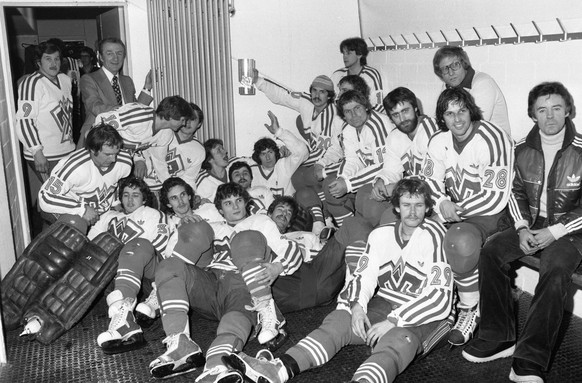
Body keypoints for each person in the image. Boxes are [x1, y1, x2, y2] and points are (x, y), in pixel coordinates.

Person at [223, 178, 453, 383]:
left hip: (427, 316)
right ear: (396, 207)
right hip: (386, 303)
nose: (412, 212)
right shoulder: (381, 235)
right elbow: (364, 276)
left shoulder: (434, 234)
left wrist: (395, 320)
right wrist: (357, 307)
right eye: (406, 205)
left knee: (397, 341)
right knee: (339, 320)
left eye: (419, 205)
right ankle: (278, 370)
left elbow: (439, 300)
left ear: (428, 208)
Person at [462, 82, 582, 383]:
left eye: (556, 108)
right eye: (542, 110)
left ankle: (530, 358)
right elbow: (514, 193)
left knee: (554, 269)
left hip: (571, 230)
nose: (550, 116)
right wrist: (522, 227)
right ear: (533, 115)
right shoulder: (520, 148)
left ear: (568, 110)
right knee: (490, 251)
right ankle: (499, 336)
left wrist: (555, 231)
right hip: (532, 223)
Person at [149, 183, 303, 381]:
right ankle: (180, 344)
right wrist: (184, 227)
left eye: (239, 200)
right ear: (220, 210)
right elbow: (174, 256)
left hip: (243, 285)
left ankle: (216, 366)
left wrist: (278, 267)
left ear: (246, 203)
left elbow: (293, 251)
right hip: (211, 282)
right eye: (228, 203)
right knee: (169, 265)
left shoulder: (261, 221)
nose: (235, 206)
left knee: (246, 239)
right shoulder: (214, 227)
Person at [422, 87, 514, 346]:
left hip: (492, 213)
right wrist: (441, 202)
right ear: (442, 117)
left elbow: (496, 197)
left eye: (461, 110)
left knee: (460, 240)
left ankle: (470, 307)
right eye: (449, 113)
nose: (457, 119)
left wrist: (454, 211)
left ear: (471, 109)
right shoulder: (438, 141)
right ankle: (440, 301)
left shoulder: (493, 138)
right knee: (422, 232)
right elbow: (428, 178)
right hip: (455, 208)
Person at [96, 176, 171, 354]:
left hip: (150, 272)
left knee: (138, 244)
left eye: (135, 195)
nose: (130, 200)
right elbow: (92, 243)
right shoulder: (109, 217)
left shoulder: (154, 214)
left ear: (144, 198)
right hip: (119, 275)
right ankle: (124, 321)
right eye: (126, 195)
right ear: (120, 198)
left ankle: (124, 316)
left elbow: (162, 242)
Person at [359, 87, 440, 227]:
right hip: (412, 190)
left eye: (405, 111)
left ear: (415, 108)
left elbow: (433, 179)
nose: (402, 119)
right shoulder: (395, 136)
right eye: (395, 115)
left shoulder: (433, 130)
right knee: (366, 196)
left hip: (435, 195)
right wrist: (381, 180)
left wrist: (397, 187)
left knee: (389, 217)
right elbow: (390, 169)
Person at [38, 122, 131, 234]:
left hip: (99, 212)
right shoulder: (74, 166)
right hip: (73, 211)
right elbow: (45, 197)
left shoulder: (125, 163)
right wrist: (82, 209)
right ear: (93, 150)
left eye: (116, 153)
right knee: (75, 223)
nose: (113, 159)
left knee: (129, 224)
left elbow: (113, 182)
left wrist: (116, 204)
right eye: (108, 154)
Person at [322, 90, 393, 227]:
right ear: (343, 115)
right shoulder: (349, 129)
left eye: (357, 108)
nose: (354, 115)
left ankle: (362, 234)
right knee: (331, 184)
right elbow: (352, 159)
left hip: (390, 176)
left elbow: (383, 166)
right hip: (370, 174)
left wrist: (349, 184)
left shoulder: (378, 124)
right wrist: (342, 178)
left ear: (366, 106)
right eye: (348, 112)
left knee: (366, 199)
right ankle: (346, 227)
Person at [92, 95, 195, 188]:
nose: (184, 124)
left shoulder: (166, 134)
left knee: (126, 168)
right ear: (171, 117)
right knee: (123, 166)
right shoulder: (138, 116)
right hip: (98, 149)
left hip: (120, 157)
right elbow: (100, 120)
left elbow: (159, 162)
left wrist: (168, 186)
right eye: (183, 120)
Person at [16, 41, 76, 184]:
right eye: (48, 59)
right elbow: (24, 120)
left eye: (56, 59)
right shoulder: (32, 83)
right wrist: (36, 151)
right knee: (53, 197)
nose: (53, 63)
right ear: (38, 62)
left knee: (67, 193)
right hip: (46, 154)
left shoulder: (65, 79)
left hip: (67, 150)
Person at [78, 37, 153, 148]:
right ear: (100, 57)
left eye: (119, 53)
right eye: (109, 53)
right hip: (97, 140)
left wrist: (147, 88)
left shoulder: (127, 81)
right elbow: (96, 107)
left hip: (125, 140)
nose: (115, 58)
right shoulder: (89, 79)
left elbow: (136, 110)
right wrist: (126, 112)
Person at [433, 46, 510, 136]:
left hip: (494, 141)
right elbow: (441, 120)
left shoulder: (483, 83)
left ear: (464, 64)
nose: (451, 73)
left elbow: (475, 126)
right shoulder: (448, 86)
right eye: (445, 69)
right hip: (464, 140)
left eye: (455, 65)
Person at [143, 102, 205, 193]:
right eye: (186, 118)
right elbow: (141, 144)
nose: (188, 123)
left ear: (199, 124)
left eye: (193, 119)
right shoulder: (164, 132)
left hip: (167, 192)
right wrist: (138, 160)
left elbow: (189, 179)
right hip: (143, 184)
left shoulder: (199, 150)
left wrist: (192, 195)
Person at [250, 111, 309, 196]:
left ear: (275, 152)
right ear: (258, 157)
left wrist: (278, 132)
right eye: (263, 154)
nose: (268, 157)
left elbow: (303, 152)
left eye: (270, 152)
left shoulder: (284, 165)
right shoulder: (252, 171)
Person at [331, 37, 385, 106]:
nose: (345, 57)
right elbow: (330, 100)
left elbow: (378, 104)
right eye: (343, 53)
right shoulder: (337, 74)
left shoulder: (371, 74)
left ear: (359, 54)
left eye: (348, 53)